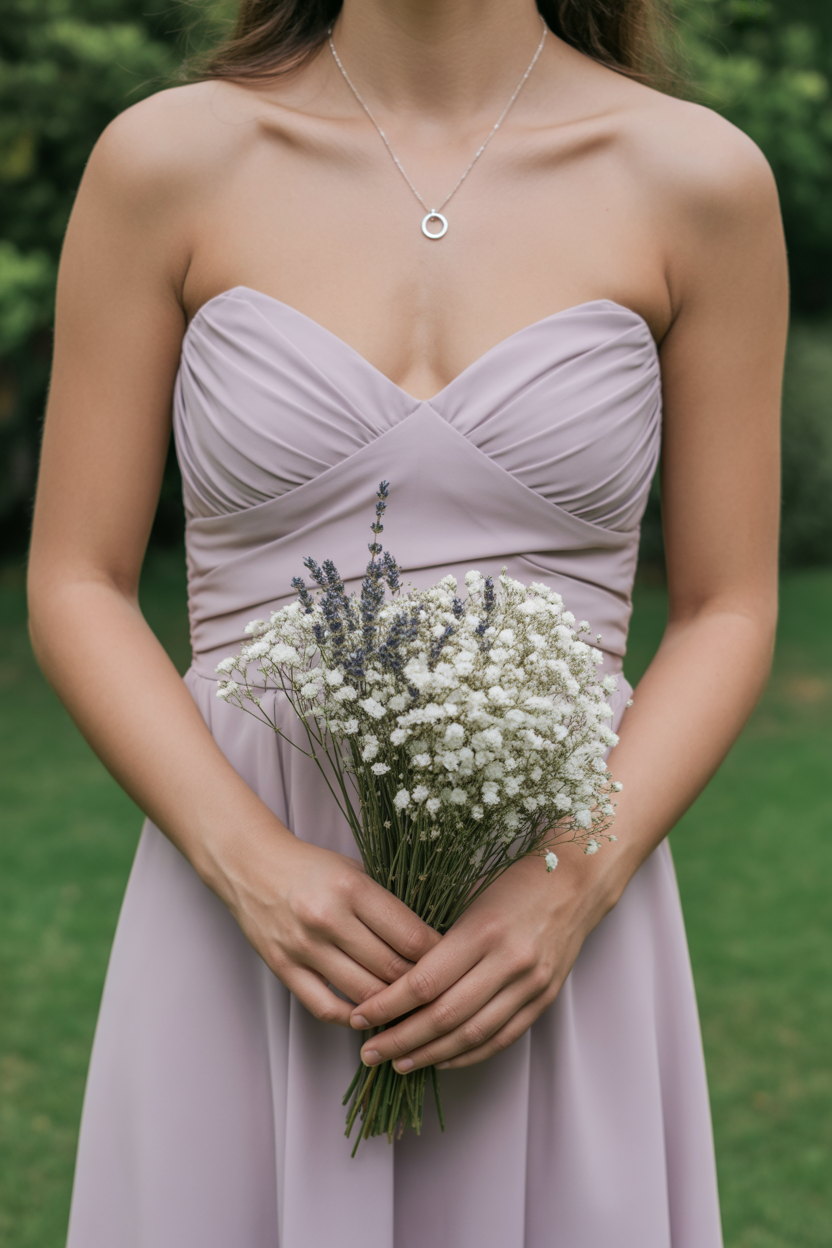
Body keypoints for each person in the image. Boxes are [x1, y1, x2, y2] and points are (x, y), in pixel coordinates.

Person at [27, 0, 786, 1244]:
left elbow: (728, 608)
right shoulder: (166, 160)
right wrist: (249, 864)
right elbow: (74, 581)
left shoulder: (696, 177)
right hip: (243, 909)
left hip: (550, 911)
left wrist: (566, 892)